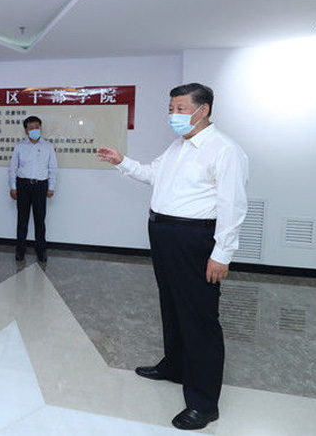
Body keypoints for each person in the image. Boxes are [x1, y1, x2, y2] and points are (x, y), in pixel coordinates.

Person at [97, 83, 248, 431]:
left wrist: (222, 253)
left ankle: (203, 403)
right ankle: (175, 366)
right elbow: (153, 175)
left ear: (203, 110)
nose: (173, 115)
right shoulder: (178, 146)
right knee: (172, 305)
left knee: (199, 318)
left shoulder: (225, 150)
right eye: (171, 108)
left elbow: (233, 206)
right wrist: (122, 162)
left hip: (194, 238)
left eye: (181, 108)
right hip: (164, 233)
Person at [8, 116, 57, 263]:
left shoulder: (48, 146)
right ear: (26, 131)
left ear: (40, 128)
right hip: (23, 185)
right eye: (31, 127)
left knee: (40, 220)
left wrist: (51, 187)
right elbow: (13, 168)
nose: (34, 130)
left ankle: (41, 250)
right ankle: (20, 250)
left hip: (41, 186)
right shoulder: (19, 146)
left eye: (37, 127)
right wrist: (13, 187)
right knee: (22, 219)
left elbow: (53, 168)